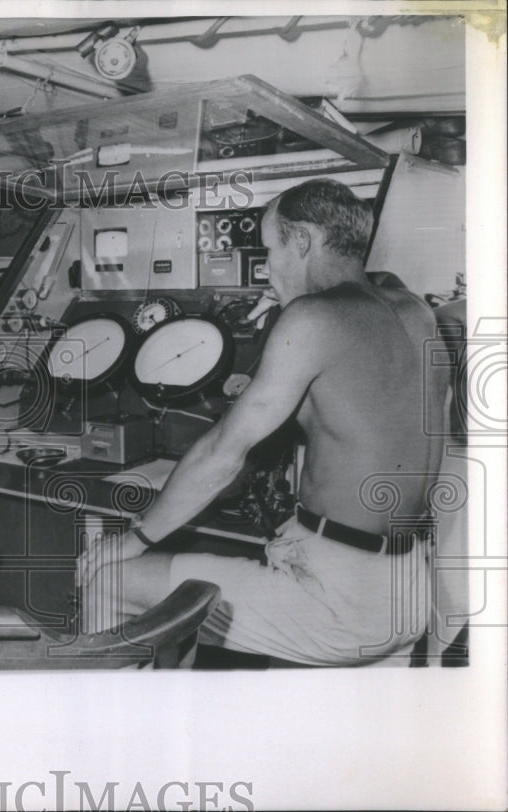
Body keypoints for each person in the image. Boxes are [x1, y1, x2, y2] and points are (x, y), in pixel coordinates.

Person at [78, 178, 448, 666]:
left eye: (270, 250)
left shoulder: (313, 319)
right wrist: (297, 301)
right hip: (410, 587)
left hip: (339, 600)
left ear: (302, 242)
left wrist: (133, 538)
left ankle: (117, 736)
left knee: (111, 582)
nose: (266, 270)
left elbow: (221, 455)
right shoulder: (413, 309)